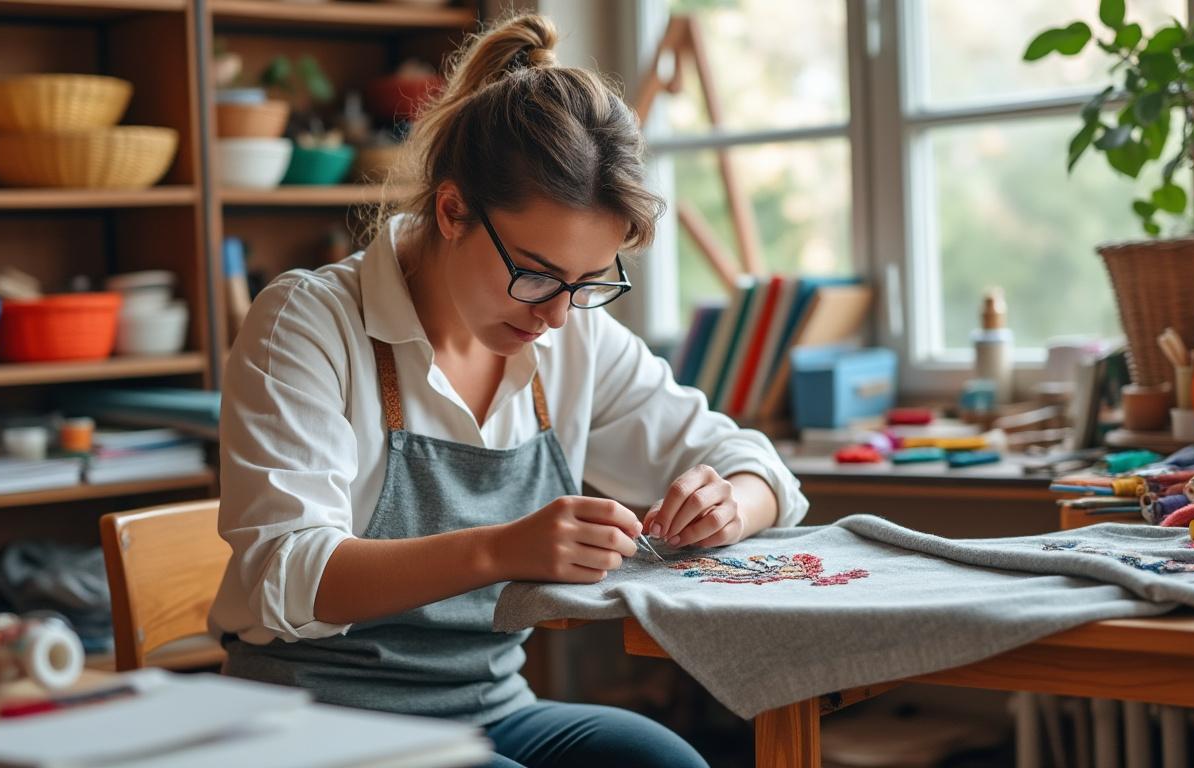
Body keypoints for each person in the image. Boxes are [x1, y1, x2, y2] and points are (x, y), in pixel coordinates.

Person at [209, 13, 808, 768]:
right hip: (314, 720)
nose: (556, 313)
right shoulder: (310, 323)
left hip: (490, 708)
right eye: (536, 272)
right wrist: (499, 549)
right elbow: (285, 572)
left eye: (587, 282)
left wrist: (731, 503)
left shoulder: (569, 335)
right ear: (453, 210)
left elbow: (757, 465)